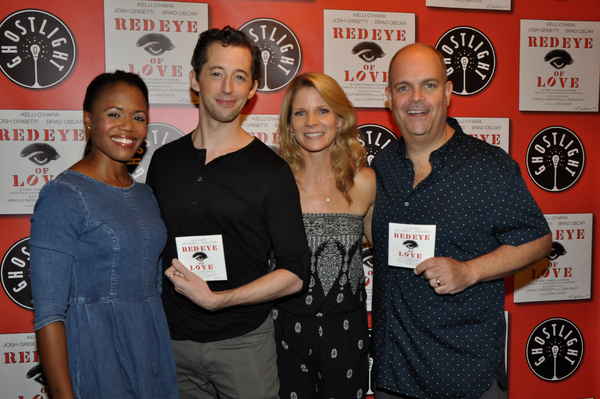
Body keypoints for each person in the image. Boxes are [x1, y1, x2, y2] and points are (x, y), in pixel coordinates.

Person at [370, 43, 552, 399]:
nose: (416, 98)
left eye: (429, 85)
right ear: (389, 96)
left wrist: (470, 272)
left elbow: (538, 240)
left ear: (448, 92)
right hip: (394, 376)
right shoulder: (381, 167)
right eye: (403, 87)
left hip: (464, 375)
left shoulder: (488, 166)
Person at [146, 26, 310, 399]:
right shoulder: (164, 161)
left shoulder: (272, 171)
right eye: (216, 73)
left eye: (239, 77)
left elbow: (295, 273)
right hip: (172, 344)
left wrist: (219, 300)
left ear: (252, 89)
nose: (227, 88)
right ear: (195, 79)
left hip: (244, 346)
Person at [30, 71, 178, 399]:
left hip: (150, 351)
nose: (127, 126)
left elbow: (152, 288)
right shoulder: (63, 195)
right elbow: (49, 313)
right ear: (88, 119)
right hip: (97, 355)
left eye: (138, 117)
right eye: (114, 114)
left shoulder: (145, 195)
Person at [274, 72, 376, 398]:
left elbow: (383, 248)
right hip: (284, 330)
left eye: (322, 110)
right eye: (300, 112)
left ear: (339, 118)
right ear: (289, 123)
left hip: (347, 333)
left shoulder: (365, 182)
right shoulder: (273, 184)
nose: (311, 121)